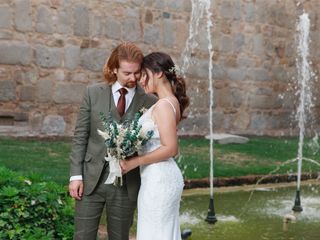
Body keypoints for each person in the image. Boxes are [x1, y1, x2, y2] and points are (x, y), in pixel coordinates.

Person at [68, 42, 157, 240]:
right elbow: (80, 136)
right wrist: (75, 176)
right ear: (114, 68)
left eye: (136, 72)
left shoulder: (150, 101)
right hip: (91, 180)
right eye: (127, 73)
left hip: (126, 185)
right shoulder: (92, 93)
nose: (132, 78)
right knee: (82, 237)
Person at [120, 52, 190, 240]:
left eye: (144, 74)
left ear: (158, 73)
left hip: (158, 181)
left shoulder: (164, 106)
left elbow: (171, 148)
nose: (140, 81)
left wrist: (134, 161)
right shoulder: (169, 102)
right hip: (158, 177)